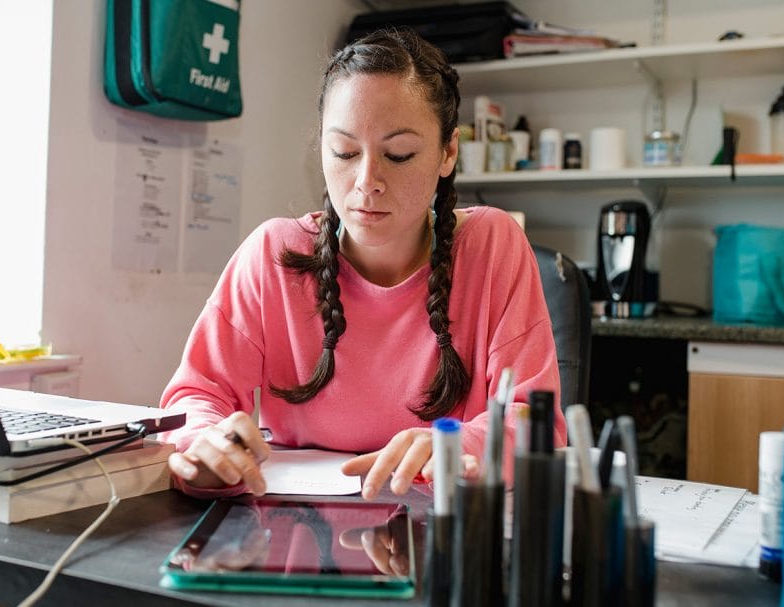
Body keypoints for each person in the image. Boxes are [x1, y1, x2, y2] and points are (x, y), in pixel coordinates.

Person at [160, 28, 566, 500]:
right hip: (295, 534)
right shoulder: (272, 255)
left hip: (444, 532)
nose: (367, 181)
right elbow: (193, 399)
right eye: (345, 152)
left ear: (448, 152)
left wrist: (457, 444)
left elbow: (534, 421)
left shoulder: (493, 246)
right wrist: (204, 443)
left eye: (399, 155)